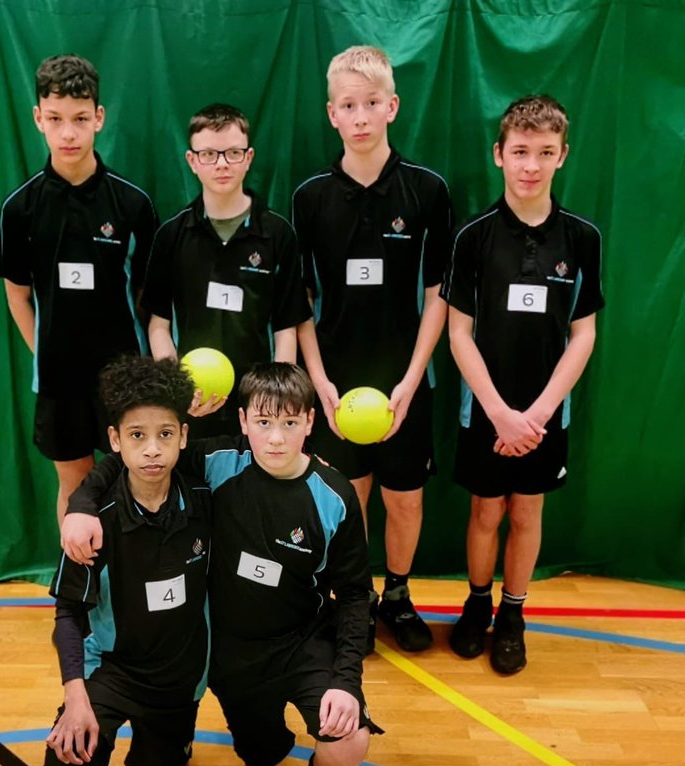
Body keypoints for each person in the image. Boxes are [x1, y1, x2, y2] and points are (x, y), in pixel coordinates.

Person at [63, 363, 379, 766]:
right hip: (228, 654)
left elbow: (357, 594)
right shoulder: (218, 463)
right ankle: (181, 740)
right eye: (264, 423)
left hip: (300, 643)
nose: (276, 439)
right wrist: (81, 503)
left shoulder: (335, 496)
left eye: (290, 423)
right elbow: (127, 457)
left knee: (350, 739)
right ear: (244, 421)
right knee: (258, 759)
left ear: (311, 423)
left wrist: (347, 682)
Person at [292, 45, 454, 654]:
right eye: (347, 106)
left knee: (404, 499)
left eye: (371, 104)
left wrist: (413, 379)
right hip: (336, 381)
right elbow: (299, 301)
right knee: (347, 499)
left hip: (404, 380)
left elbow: (439, 294)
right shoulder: (310, 198)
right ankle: (351, 601)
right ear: (332, 114)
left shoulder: (427, 191)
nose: (360, 117)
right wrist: (321, 382)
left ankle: (400, 596)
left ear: (392, 107)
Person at [445, 95, 604, 675]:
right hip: (483, 413)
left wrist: (535, 414)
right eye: (519, 152)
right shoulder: (474, 237)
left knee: (527, 514)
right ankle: (478, 604)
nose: (530, 165)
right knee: (485, 513)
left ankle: (513, 614)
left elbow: (583, 335)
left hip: (544, 418)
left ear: (562, 156)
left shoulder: (582, 238)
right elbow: (458, 334)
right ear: (499, 156)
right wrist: (499, 414)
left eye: (544, 152)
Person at [44, 355, 210, 766]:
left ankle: (170, 746)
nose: (153, 449)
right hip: (114, 668)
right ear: (115, 441)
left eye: (165, 434)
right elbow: (68, 613)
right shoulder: (93, 523)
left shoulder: (205, 497)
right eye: (137, 435)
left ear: (184, 436)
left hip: (181, 676)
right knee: (64, 755)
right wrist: (76, 695)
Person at [0, 54, 158, 522]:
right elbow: (17, 295)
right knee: (74, 485)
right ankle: (77, 592)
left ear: (99, 119)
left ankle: (131, 591)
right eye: (56, 119)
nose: (68, 133)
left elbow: (152, 300)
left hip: (126, 378)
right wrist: (44, 356)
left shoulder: (133, 204)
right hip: (58, 380)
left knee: (135, 482)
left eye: (80, 119)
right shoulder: (19, 209)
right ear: (38, 119)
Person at [144, 103, 311, 439]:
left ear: (248, 158)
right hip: (194, 402)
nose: (221, 164)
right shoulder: (171, 235)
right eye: (208, 154)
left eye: (232, 153)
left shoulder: (278, 234)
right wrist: (178, 387)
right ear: (192, 161)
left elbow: (286, 327)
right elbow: (158, 326)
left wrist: (273, 400)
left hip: (258, 407)